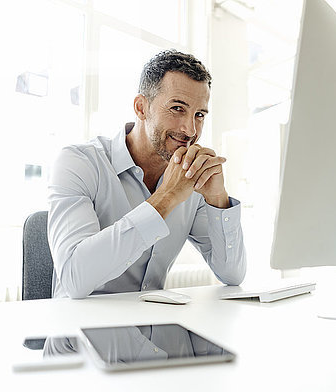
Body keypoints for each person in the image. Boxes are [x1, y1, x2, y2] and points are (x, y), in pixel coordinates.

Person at [47, 50, 246, 299]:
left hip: (152, 330)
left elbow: (232, 275)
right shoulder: (79, 163)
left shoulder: (190, 179)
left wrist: (218, 199)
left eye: (199, 115)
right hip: (82, 332)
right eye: (177, 108)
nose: (190, 129)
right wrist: (166, 197)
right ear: (141, 107)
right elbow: (74, 279)